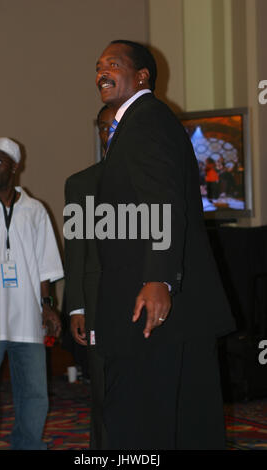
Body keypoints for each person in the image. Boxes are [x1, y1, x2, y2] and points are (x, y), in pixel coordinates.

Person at [94, 40, 236, 449]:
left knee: (139, 426)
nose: (101, 72)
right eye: (98, 66)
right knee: (184, 422)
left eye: (113, 65)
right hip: (170, 315)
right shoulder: (144, 121)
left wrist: (158, 277)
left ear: (142, 76)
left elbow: (163, 201)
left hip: (149, 311)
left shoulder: (144, 120)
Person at [0, 137, 63, 450]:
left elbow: (46, 265)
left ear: (15, 166)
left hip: (26, 316)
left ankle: (27, 443)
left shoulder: (35, 211)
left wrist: (47, 307)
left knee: (34, 390)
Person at [64, 105, 115, 449]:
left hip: (145, 302)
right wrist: (77, 306)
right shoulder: (81, 184)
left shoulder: (154, 178)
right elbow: (76, 250)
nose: (110, 133)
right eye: (103, 127)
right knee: (104, 389)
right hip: (98, 303)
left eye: (117, 126)